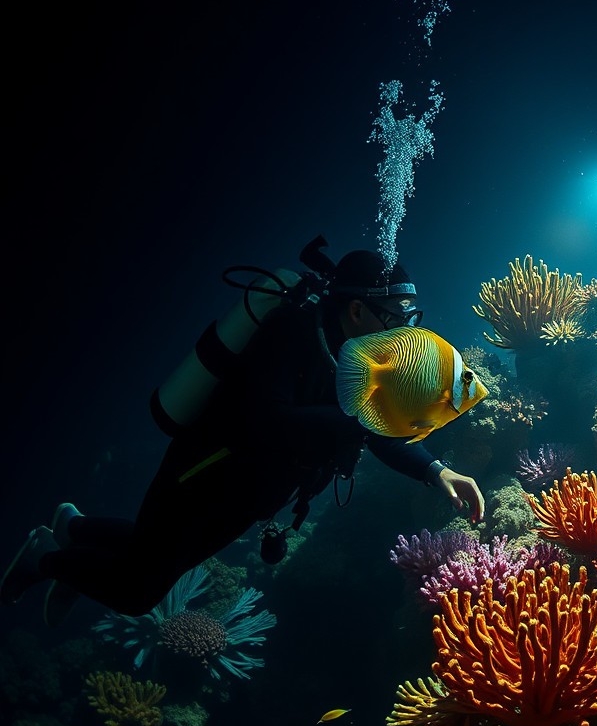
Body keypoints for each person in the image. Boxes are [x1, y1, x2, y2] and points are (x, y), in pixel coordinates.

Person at [1, 246, 485, 625]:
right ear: (356, 310)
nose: (405, 327)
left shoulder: (361, 354)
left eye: (409, 317)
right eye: (395, 314)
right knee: (138, 592)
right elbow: (267, 423)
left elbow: (376, 427)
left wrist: (436, 470)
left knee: (163, 555)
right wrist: (352, 422)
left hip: (251, 497)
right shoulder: (294, 332)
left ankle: (73, 531)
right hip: (203, 475)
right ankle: (47, 559)